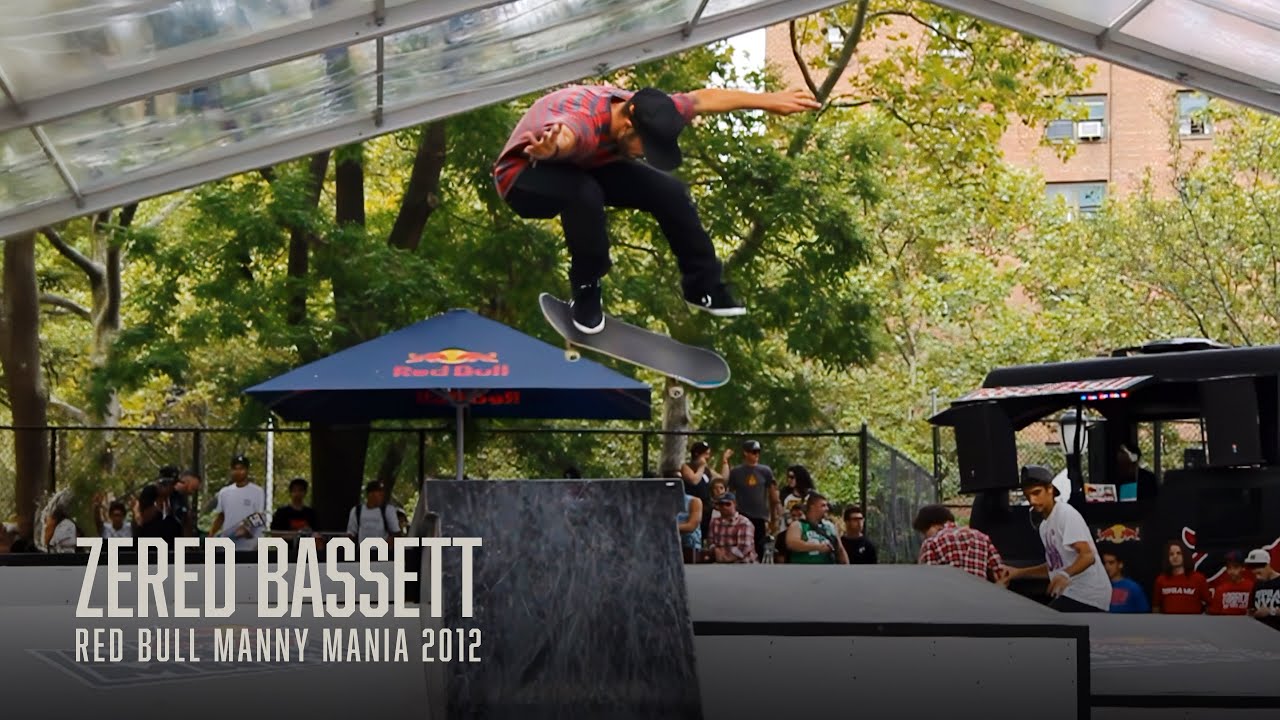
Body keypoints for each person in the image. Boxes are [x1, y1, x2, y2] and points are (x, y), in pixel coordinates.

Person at [493, 83, 820, 333]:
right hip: (525, 176)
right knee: (584, 192)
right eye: (644, 147)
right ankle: (586, 288)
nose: (644, 154)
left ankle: (702, 286)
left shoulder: (653, 110)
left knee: (670, 191)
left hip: (584, 166)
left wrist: (769, 100)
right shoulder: (586, 122)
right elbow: (569, 133)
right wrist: (554, 148)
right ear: (626, 126)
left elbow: (703, 99)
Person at [1001, 465, 1111, 612]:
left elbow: (1088, 556)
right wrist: (1018, 573)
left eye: (1037, 493)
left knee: (1044, 621)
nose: (1032, 500)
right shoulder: (1044, 526)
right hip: (1071, 593)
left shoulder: (1065, 514)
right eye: (1028, 496)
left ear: (1050, 489)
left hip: (1090, 595)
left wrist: (1065, 574)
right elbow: (1054, 567)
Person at [914, 504, 1004, 582]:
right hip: (979, 594)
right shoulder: (981, 537)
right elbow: (1001, 573)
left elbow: (928, 580)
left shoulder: (930, 542)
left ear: (935, 526)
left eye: (924, 532)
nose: (925, 537)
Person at [784, 493, 848, 565]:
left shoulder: (830, 526)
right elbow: (792, 543)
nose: (827, 508)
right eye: (823, 505)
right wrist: (817, 547)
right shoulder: (797, 525)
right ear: (812, 507)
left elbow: (840, 549)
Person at [1151, 539, 1208, 614]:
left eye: (1178, 553)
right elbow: (1156, 607)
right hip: (1167, 621)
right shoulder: (1160, 580)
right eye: (1171, 554)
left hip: (1193, 621)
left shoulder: (1199, 579)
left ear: (1185, 555)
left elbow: (1209, 605)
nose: (1175, 556)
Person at [1101, 548, 1149, 613]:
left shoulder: (1133, 588)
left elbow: (1144, 613)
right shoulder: (1099, 587)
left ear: (1120, 564)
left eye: (1111, 563)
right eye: (1104, 563)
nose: (1107, 567)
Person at [1246, 548, 1280, 630]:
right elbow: (1250, 610)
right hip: (1260, 632)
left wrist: (1271, 611)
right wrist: (1253, 614)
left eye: (1259, 573)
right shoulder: (1257, 584)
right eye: (1255, 574)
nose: (1258, 577)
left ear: (1267, 566)